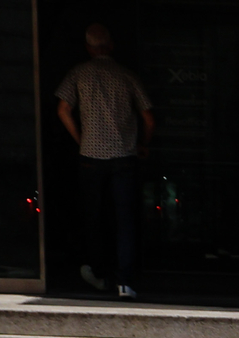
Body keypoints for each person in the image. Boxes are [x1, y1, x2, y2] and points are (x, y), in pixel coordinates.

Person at [54, 25, 154, 298]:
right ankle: (126, 282)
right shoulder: (126, 75)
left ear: (88, 48)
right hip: (124, 155)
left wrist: (80, 138)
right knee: (125, 219)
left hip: (90, 156)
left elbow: (62, 108)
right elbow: (148, 118)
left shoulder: (78, 73)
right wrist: (143, 144)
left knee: (94, 216)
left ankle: (98, 272)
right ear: (111, 46)